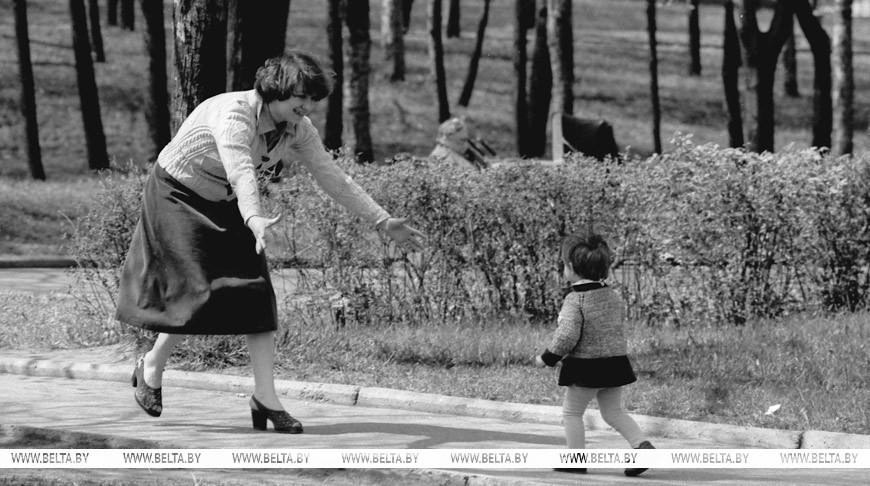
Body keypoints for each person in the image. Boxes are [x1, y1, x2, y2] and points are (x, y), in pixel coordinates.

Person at [117, 50, 424, 434]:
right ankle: (152, 364)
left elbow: (333, 177)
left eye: (313, 98)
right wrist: (254, 217)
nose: (308, 105)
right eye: (302, 97)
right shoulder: (234, 115)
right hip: (177, 195)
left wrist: (382, 219)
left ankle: (266, 397)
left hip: (233, 203)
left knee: (257, 294)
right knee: (196, 291)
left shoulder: (298, 128)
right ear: (277, 89)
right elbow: (241, 170)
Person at [535, 230, 654, 476]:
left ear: (571, 267)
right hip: (614, 364)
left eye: (564, 265)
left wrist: (547, 358)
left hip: (586, 368)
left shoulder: (575, 300)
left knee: (571, 413)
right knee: (613, 412)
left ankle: (576, 461)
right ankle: (642, 446)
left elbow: (567, 335)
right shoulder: (611, 296)